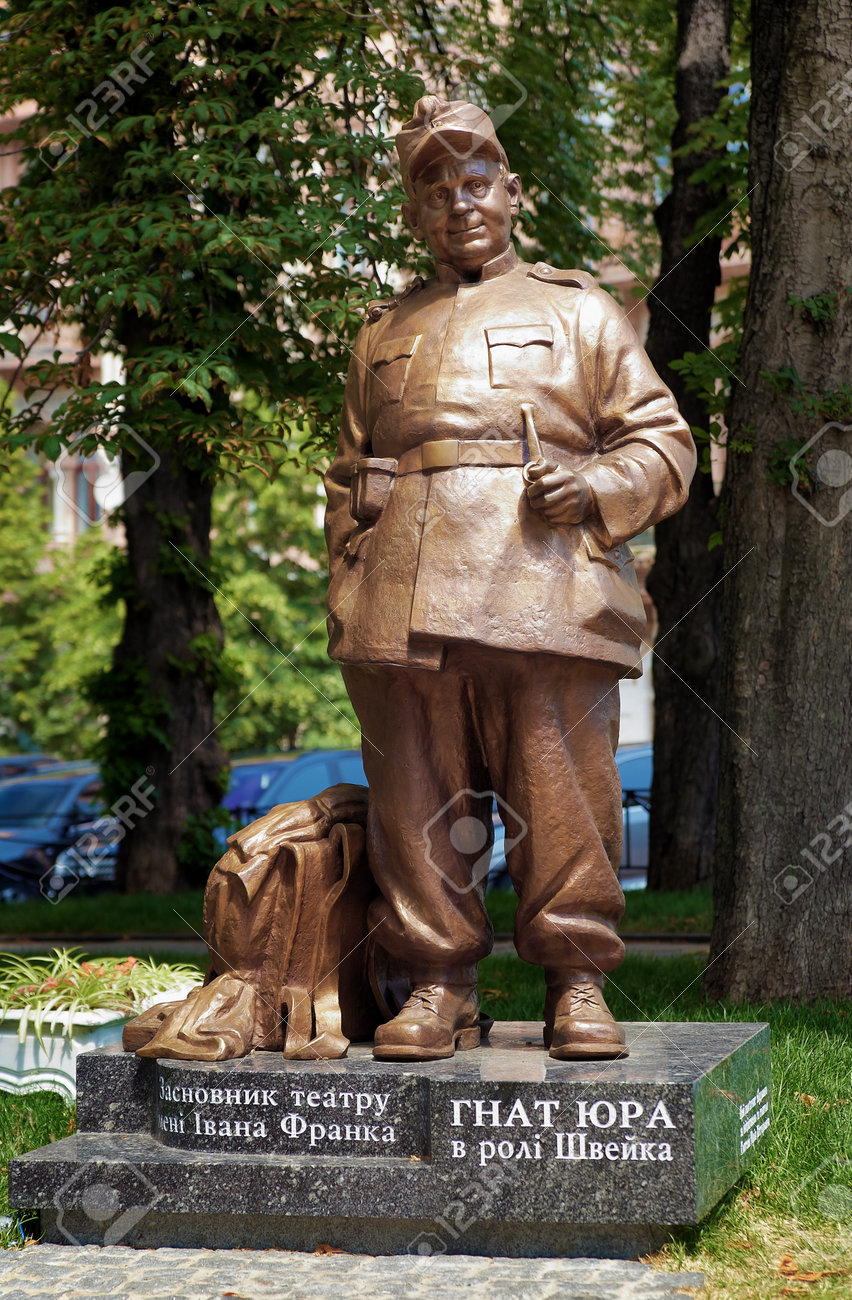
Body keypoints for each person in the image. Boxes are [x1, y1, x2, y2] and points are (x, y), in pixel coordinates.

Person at [324, 96, 696, 1062]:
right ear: (414, 214)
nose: (460, 203)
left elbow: (663, 442)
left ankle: (576, 979)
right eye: (436, 190)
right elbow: (349, 475)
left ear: (513, 193)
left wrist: (597, 486)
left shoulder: (580, 310)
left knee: (560, 792)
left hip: (542, 585)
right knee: (418, 798)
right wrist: (347, 589)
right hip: (403, 597)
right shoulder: (381, 332)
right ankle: (438, 981)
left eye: (477, 181)